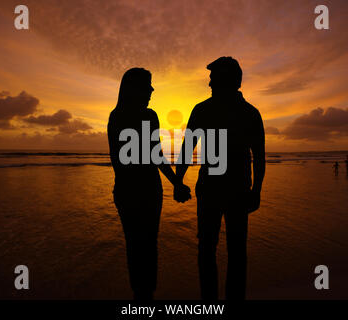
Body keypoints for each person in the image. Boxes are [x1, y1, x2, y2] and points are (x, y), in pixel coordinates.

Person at [176, 57, 265, 300]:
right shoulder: (248, 113)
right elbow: (258, 158)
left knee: (211, 250)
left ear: (229, 80)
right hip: (224, 189)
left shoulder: (207, 110)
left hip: (222, 190)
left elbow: (258, 157)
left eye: (213, 78)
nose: (210, 84)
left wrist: (178, 181)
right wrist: (256, 190)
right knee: (230, 251)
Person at [107, 68, 191, 300]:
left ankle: (143, 295)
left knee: (137, 245)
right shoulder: (141, 116)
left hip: (134, 190)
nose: (152, 90)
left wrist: (176, 182)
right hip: (140, 191)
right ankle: (144, 295)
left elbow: (149, 156)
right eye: (147, 85)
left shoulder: (120, 116)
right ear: (134, 89)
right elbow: (154, 156)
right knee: (144, 245)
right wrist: (176, 182)